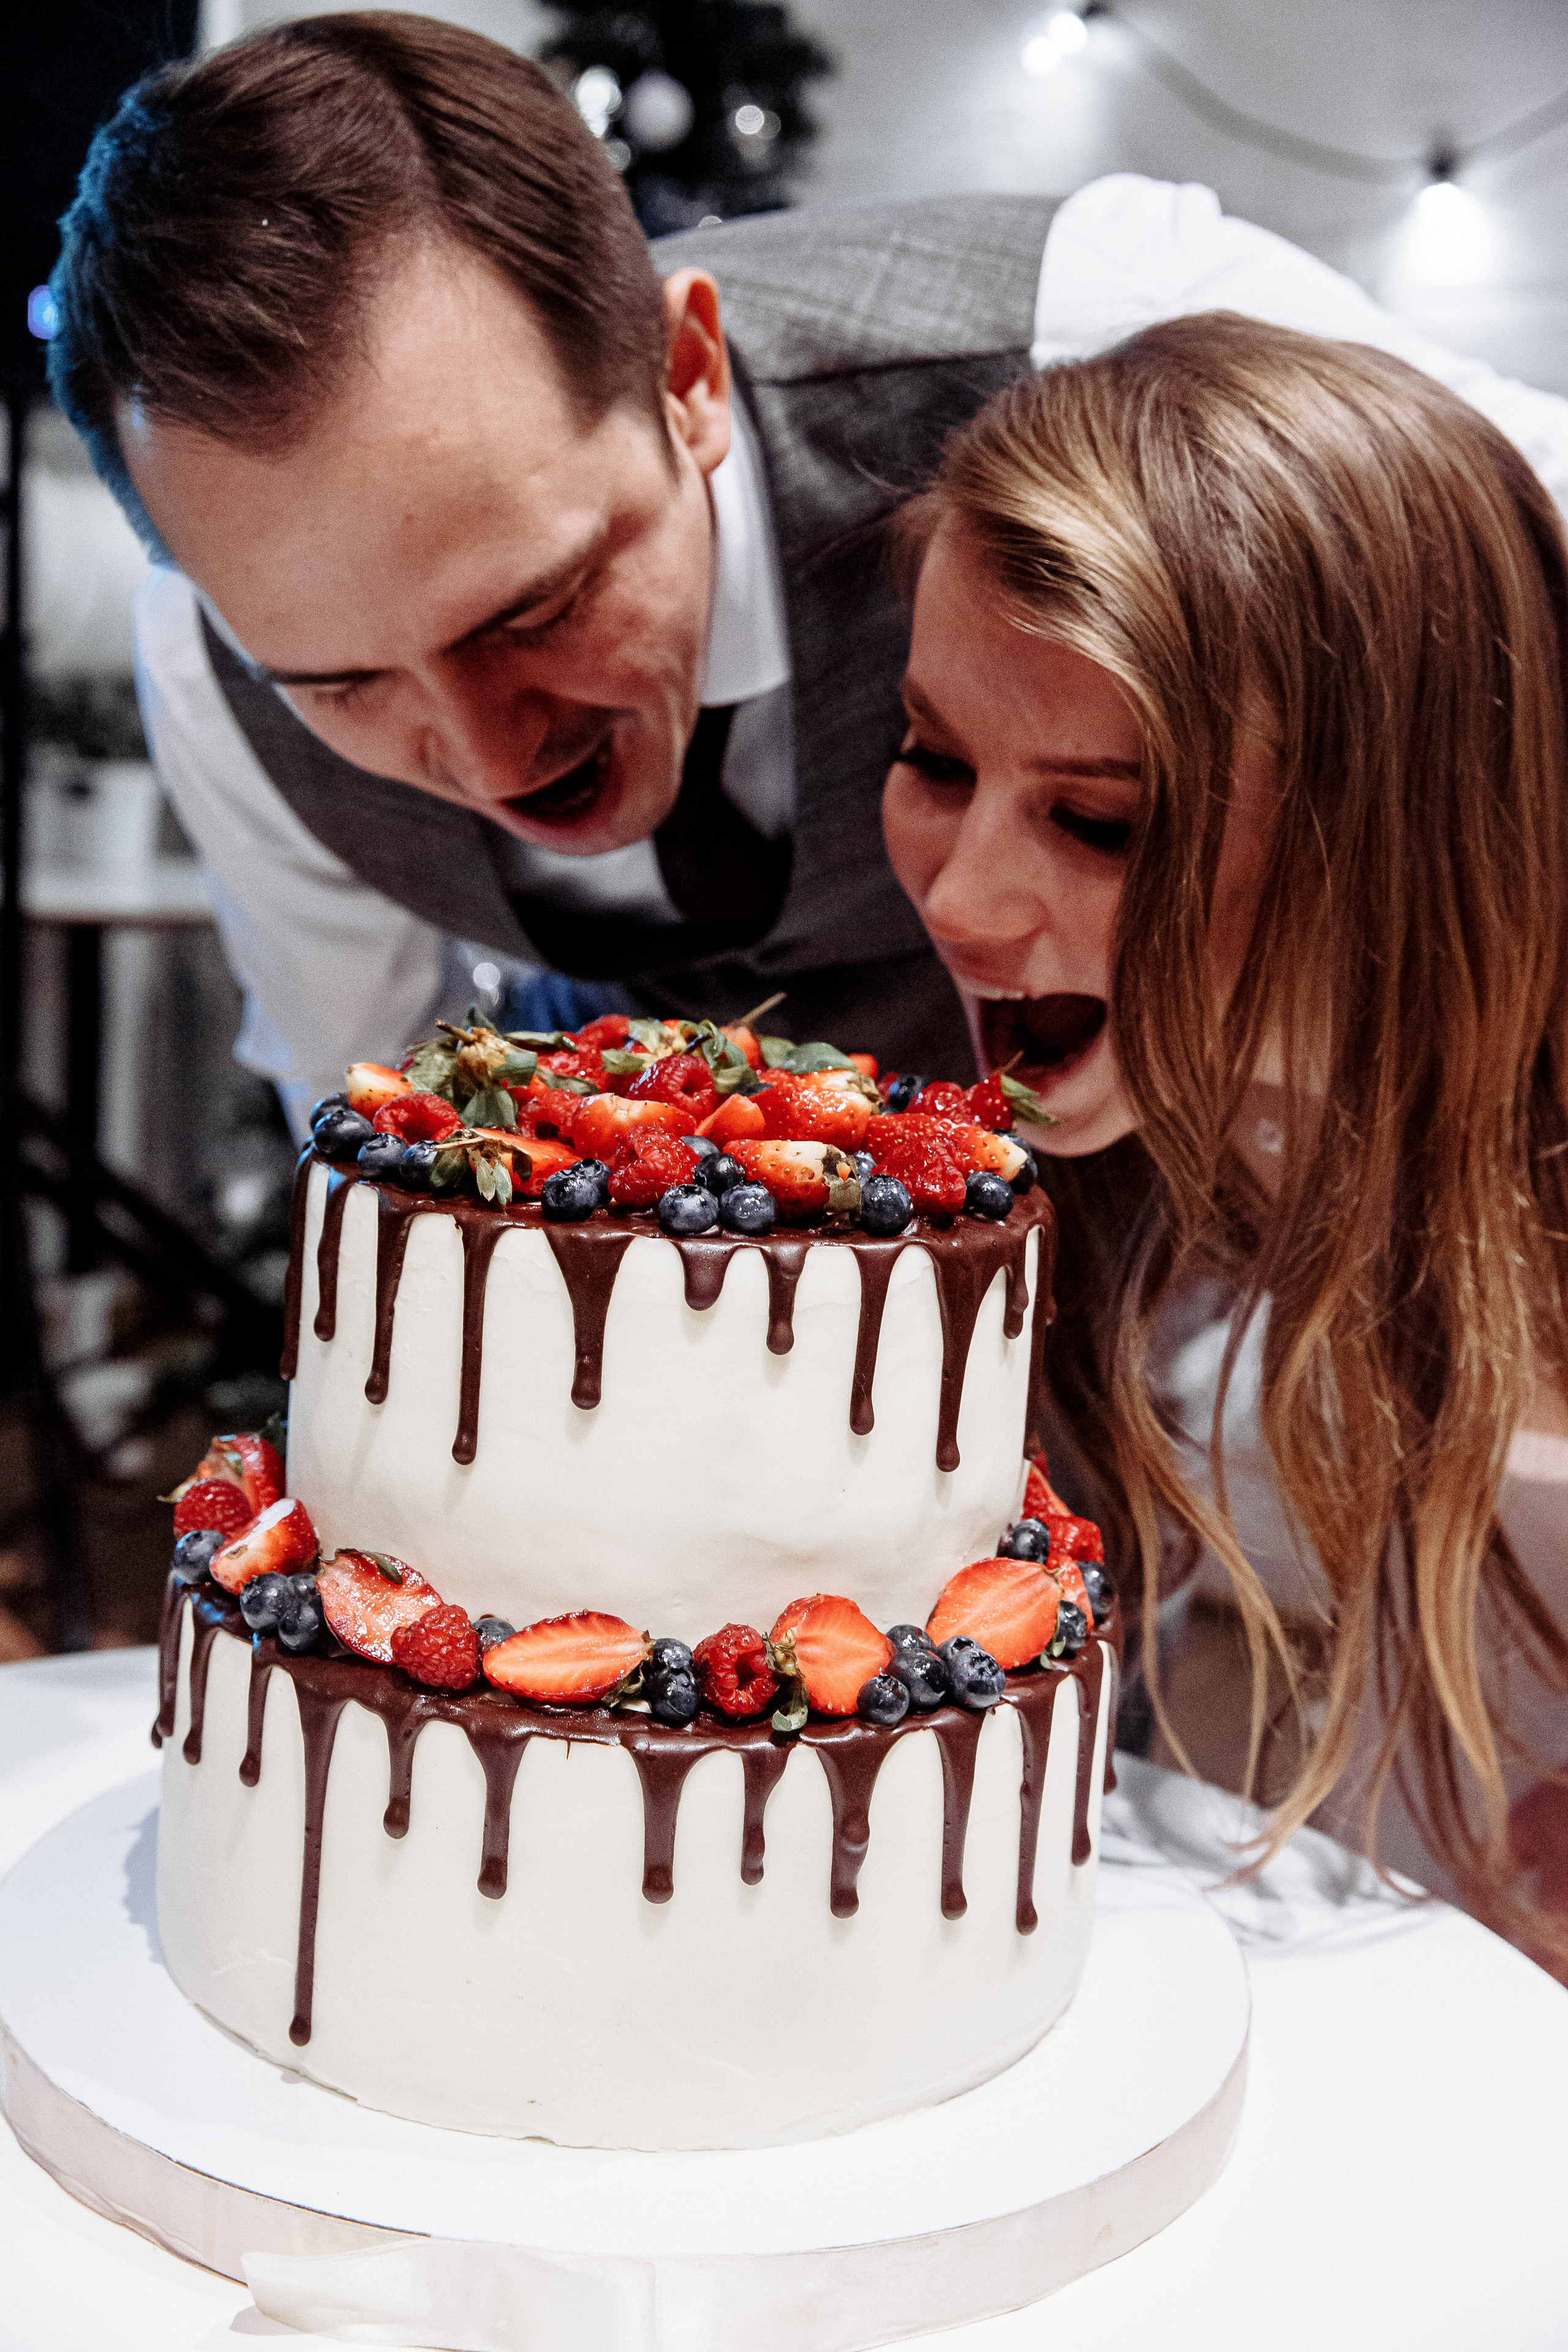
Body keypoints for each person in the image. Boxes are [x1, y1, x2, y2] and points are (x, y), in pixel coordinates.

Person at [47, 13, 1568, 1135]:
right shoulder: (215, 673)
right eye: (345, 682)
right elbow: (374, 1118)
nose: (499, 752)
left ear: (687, 372)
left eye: (539, 604)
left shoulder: (1099, 326)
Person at [881, 311, 1568, 1964]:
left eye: (1100, 820)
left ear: (1402, 818)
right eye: (930, 755)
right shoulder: (1153, 1160)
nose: (961, 900)